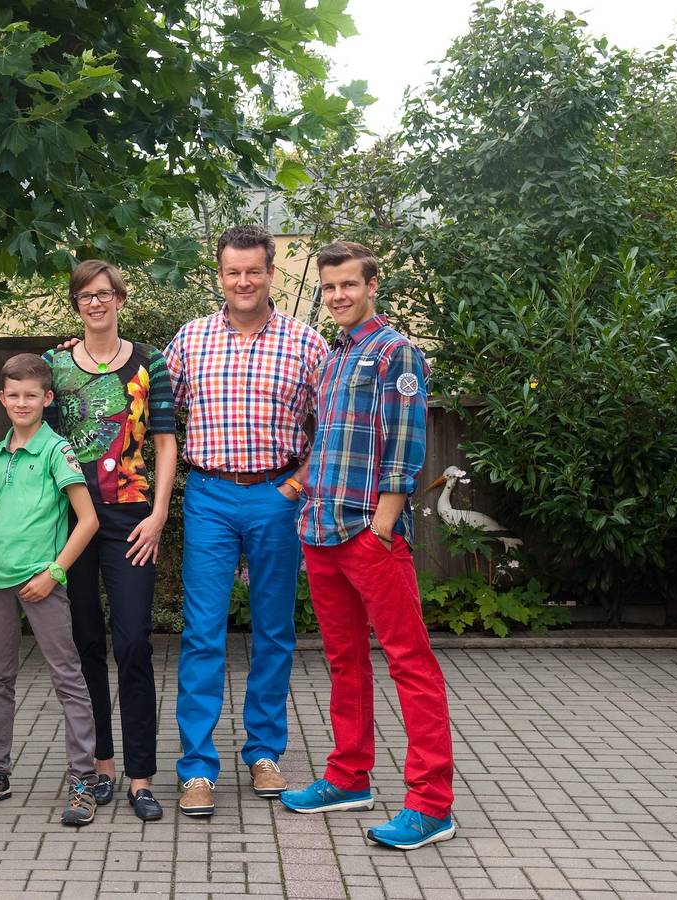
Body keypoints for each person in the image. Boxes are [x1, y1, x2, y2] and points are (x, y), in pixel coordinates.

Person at [280, 240, 456, 850]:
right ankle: (348, 778)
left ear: (372, 285)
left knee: (410, 661)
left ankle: (431, 805)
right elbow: (328, 443)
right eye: (329, 287)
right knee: (344, 661)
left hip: (367, 535)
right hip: (321, 531)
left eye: (348, 284)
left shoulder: (395, 352)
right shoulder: (332, 358)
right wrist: (299, 492)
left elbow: (406, 445)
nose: (338, 296)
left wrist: (382, 527)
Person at [164, 224, 329, 817]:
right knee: (202, 632)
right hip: (209, 494)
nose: (243, 281)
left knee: (274, 631)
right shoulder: (191, 340)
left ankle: (264, 752)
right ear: (220, 275)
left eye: (253, 271)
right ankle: (197, 767)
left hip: (275, 497)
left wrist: (296, 484)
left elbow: (330, 425)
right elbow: (152, 411)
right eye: (232, 272)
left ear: (271, 273)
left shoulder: (306, 343)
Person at [41, 260, 176, 822]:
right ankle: (99, 765)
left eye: (104, 293)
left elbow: (165, 442)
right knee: (85, 643)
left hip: (130, 517)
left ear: (121, 298)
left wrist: (159, 514)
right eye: (85, 295)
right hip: (71, 519)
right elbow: (37, 436)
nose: (95, 303)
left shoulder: (151, 363)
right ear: (76, 304)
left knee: (134, 641)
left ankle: (140, 776)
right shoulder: (54, 364)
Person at [0, 353, 102, 826]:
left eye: (31, 395)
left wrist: (55, 573)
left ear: (47, 398)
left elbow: (88, 520)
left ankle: (83, 779)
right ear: (2, 398)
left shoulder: (56, 451)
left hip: (41, 582)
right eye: (14, 395)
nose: (22, 403)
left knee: (68, 678)